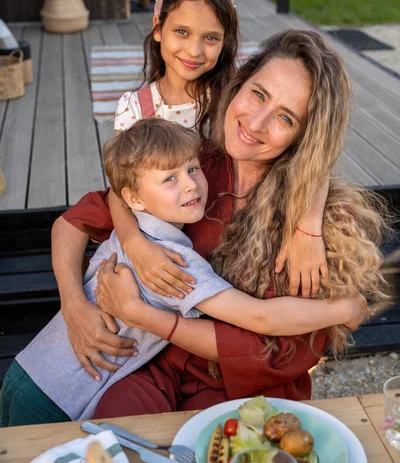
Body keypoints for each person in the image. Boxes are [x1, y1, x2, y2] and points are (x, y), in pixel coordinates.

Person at [52, 29, 387, 419]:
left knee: (213, 461)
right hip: (152, 364)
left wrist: (144, 315)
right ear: (239, 85)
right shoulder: (191, 165)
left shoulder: (326, 225)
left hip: (242, 389)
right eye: (258, 94)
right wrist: (74, 302)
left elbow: (279, 352)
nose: (256, 123)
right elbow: (82, 216)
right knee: (111, 434)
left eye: (285, 117)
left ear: (305, 136)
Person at [0, 120, 363, 427]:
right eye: (169, 179)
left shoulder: (132, 230)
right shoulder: (171, 263)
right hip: (56, 397)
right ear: (135, 198)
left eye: (192, 168)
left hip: (26, 370)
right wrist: (341, 310)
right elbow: (260, 316)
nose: (190, 184)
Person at [113, 0, 238, 136]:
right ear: (158, 29)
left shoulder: (232, 103)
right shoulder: (135, 109)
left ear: (224, 40)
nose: (194, 51)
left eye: (210, 38)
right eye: (182, 32)